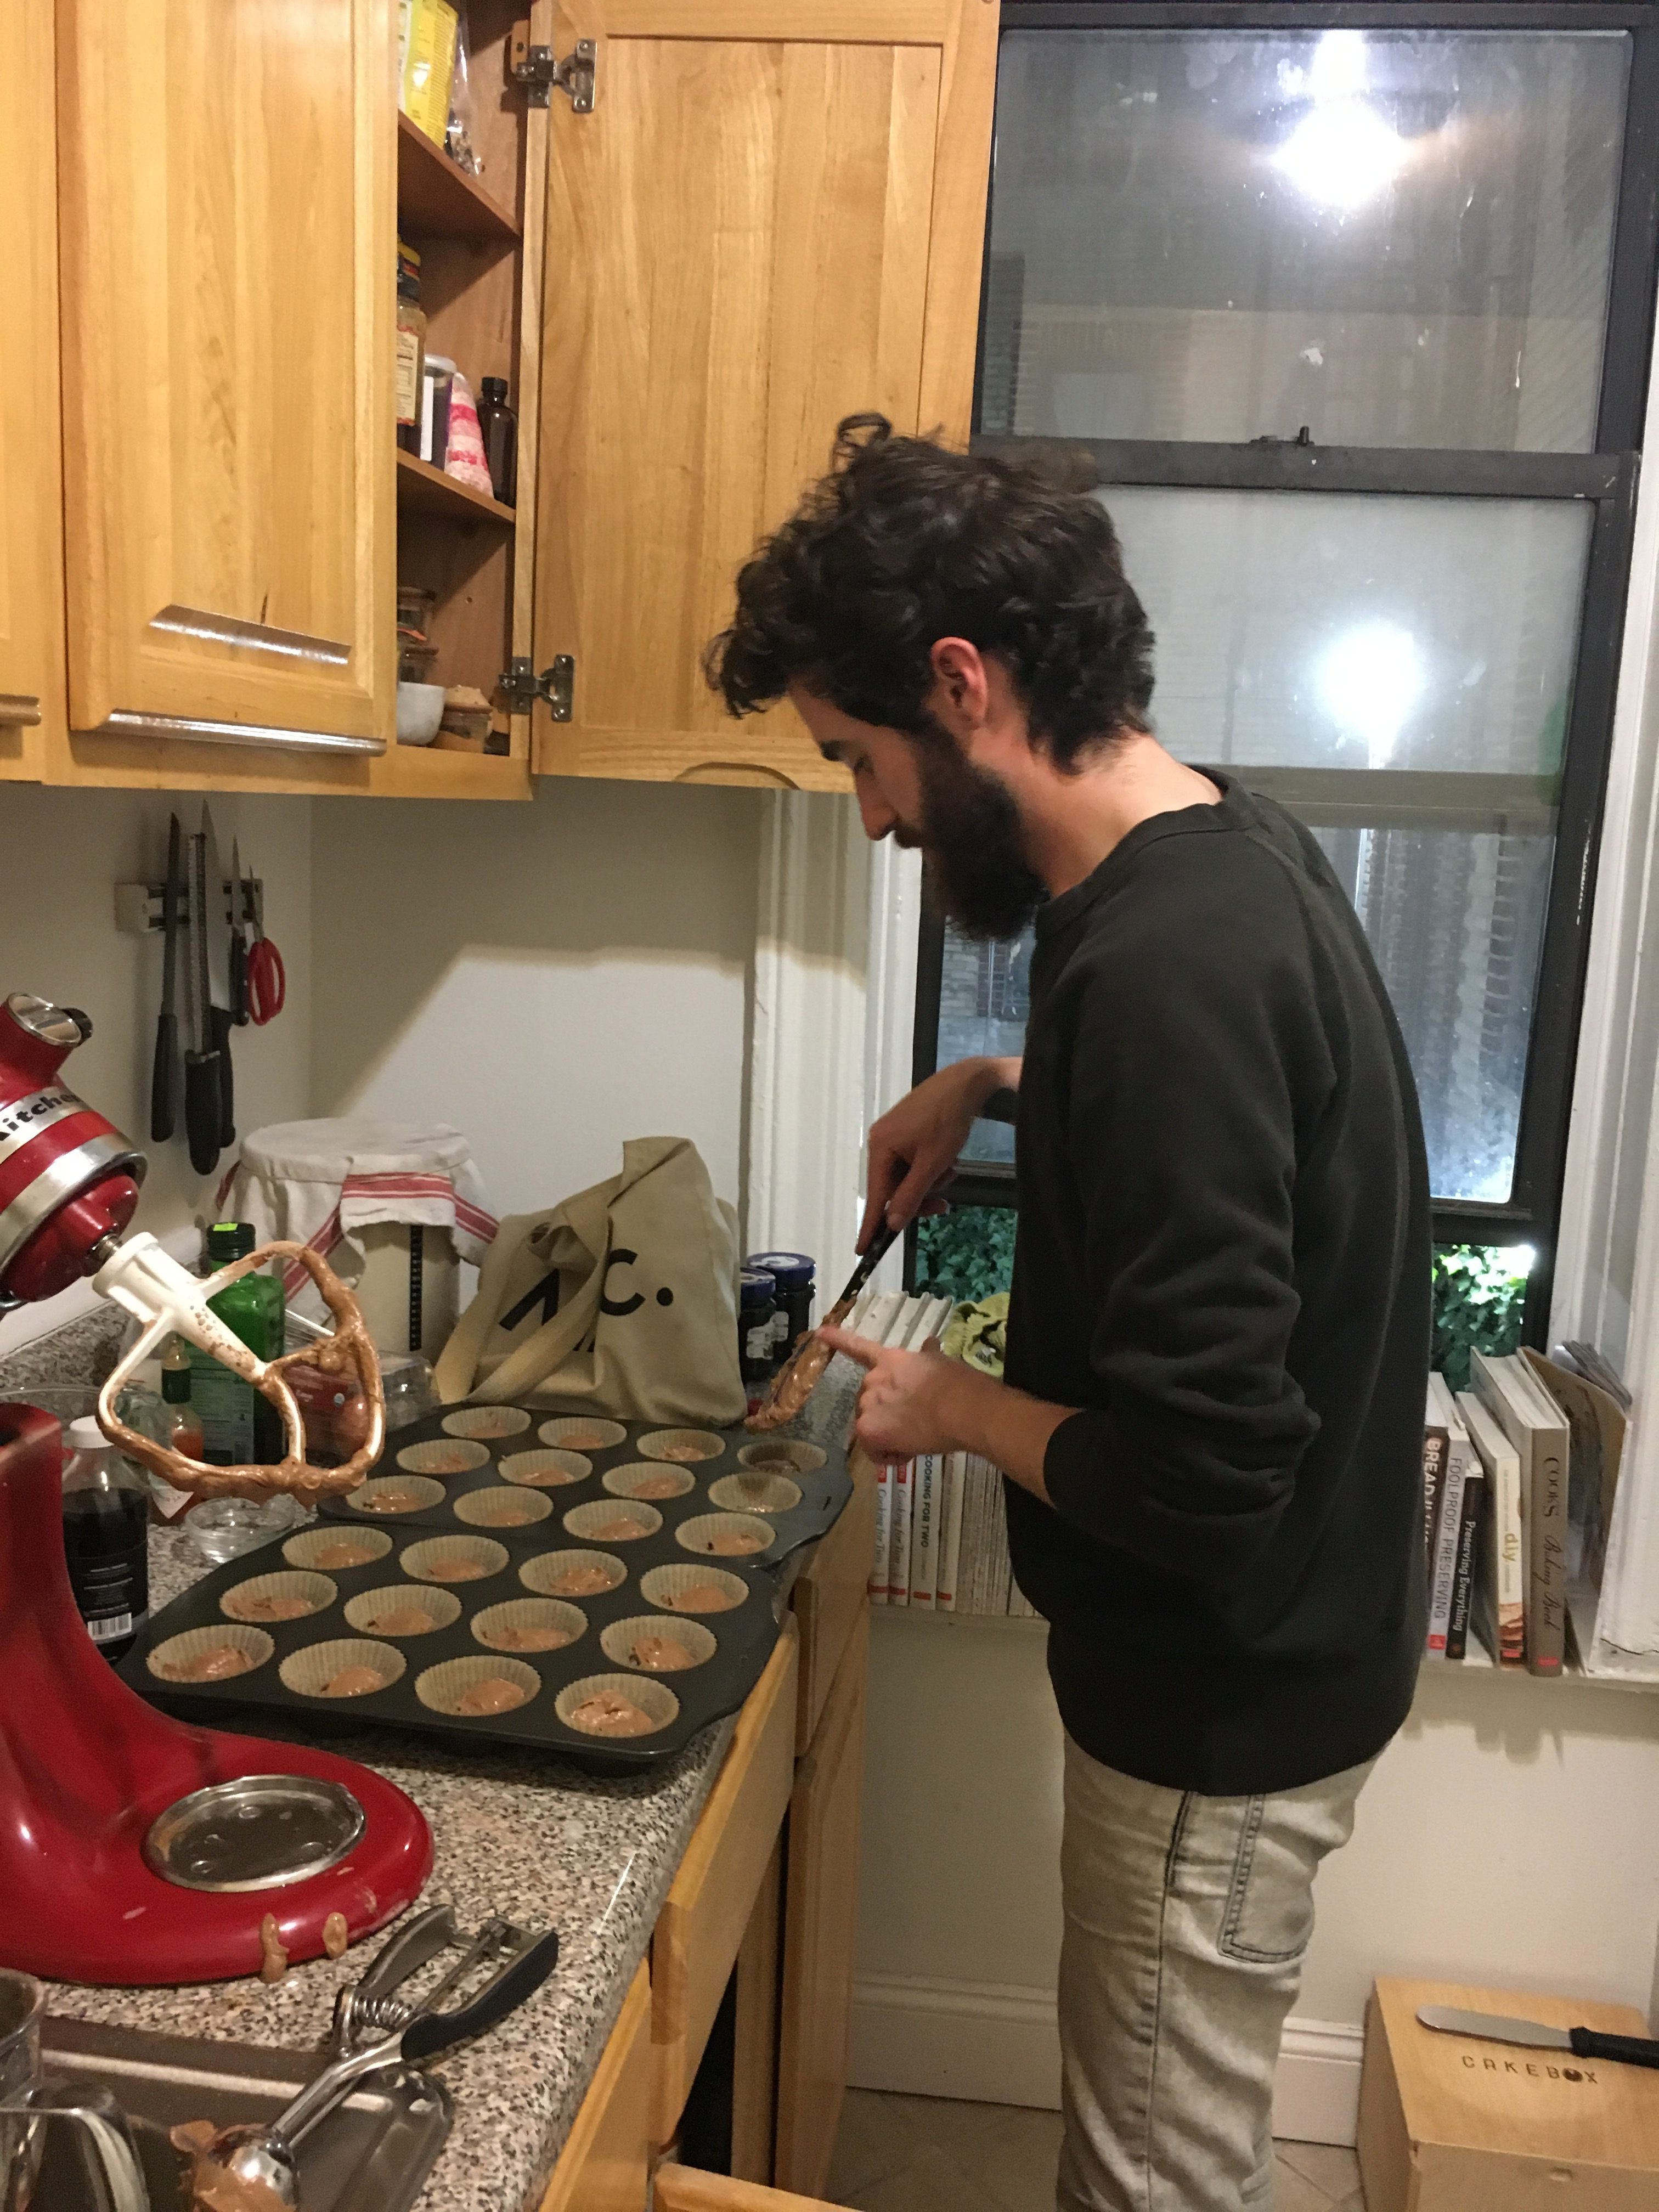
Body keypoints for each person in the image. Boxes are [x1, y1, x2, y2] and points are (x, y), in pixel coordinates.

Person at [706, 416, 1430, 2212]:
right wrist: (999, 1079)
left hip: (1219, 1699)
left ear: (960, 683)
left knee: (1153, 2180)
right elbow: (1256, 1109)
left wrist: (940, 1409)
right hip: (1265, 1672)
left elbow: (1203, 1476)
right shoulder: (1221, 854)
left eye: (856, 758)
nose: (869, 815)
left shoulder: (1168, 959)